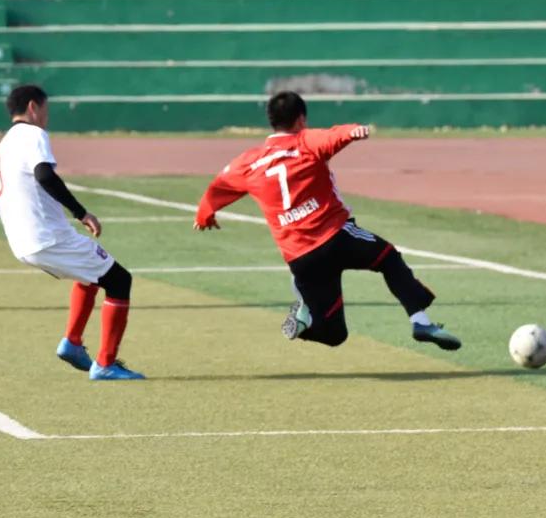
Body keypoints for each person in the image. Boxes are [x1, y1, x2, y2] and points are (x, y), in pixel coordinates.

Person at [194, 91, 462, 351]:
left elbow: (219, 185)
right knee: (389, 259)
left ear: (271, 121)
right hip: (336, 238)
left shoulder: (248, 161)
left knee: (334, 335)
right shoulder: (305, 141)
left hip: (301, 259)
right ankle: (421, 323)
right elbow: (333, 136)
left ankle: (302, 322)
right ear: (301, 119)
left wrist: (205, 214)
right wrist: (355, 130)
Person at [0, 85, 144, 380]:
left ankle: (72, 344)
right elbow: (44, 174)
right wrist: (81, 212)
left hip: (23, 241)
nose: (47, 117)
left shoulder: (4, 144)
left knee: (91, 275)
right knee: (120, 280)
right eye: (46, 110)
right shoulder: (33, 134)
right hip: (46, 237)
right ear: (34, 107)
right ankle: (105, 364)